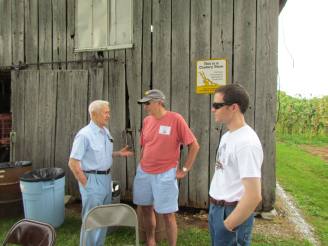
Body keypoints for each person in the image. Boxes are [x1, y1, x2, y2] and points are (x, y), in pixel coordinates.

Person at [133, 89, 200, 246]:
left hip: (165, 174)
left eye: (148, 103)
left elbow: (194, 145)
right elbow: (145, 145)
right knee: (145, 208)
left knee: (168, 214)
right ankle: (151, 240)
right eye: (144, 104)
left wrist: (184, 169)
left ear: (159, 102)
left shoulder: (175, 119)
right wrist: (141, 162)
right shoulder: (147, 121)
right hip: (144, 172)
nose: (145, 107)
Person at [68, 100, 133, 246]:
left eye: (108, 112)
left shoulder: (105, 131)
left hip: (106, 179)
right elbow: (72, 162)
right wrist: (86, 183)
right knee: (91, 219)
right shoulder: (84, 135)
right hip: (92, 180)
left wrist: (118, 154)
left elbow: (100, 155)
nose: (108, 115)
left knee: (103, 218)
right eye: (106, 112)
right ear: (94, 114)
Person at [208, 83, 263, 246]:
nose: (213, 109)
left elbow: (254, 195)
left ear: (234, 107)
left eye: (217, 105)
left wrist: (228, 224)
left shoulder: (247, 143)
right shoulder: (228, 136)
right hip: (217, 209)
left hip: (232, 212)